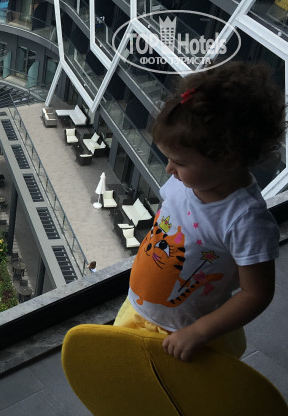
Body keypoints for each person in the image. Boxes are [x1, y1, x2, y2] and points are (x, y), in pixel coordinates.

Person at [113, 62, 285, 362]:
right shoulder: (186, 182)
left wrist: (199, 332)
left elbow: (256, 293)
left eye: (179, 162)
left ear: (227, 159)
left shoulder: (245, 220)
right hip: (138, 307)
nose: (169, 169)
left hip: (182, 332)